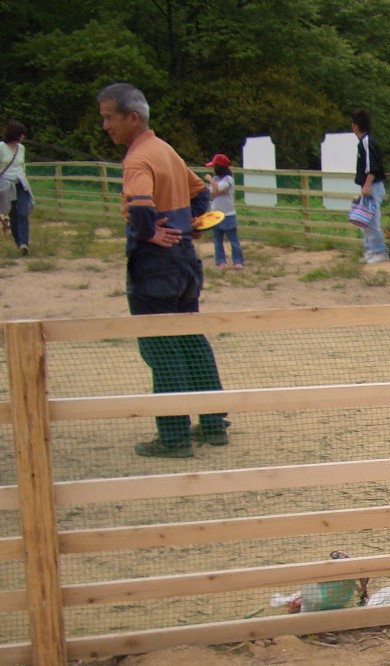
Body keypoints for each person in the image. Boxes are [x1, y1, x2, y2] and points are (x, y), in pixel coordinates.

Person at [97, 82, 230, 458]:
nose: (105, 125)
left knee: (161, 348)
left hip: (154, 269)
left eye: (109, 117)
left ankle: (173, 437)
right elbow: (199, 192)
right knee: (191, 339)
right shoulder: (166, 150)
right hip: (186, 262)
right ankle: (213, 424)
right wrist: (195, 225)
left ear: (131, 117)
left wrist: (149, 230)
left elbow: (140, 206)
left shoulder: (137, 159)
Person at [350, 108, 389, 264]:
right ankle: (371, 250)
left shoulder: (366, 142)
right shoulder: (364, 142)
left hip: (372, 186)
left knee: (371, 220)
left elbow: (371, 168)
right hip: (369, 186)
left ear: (356, 125)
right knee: (365, 220)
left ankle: (380, 252)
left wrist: (366, 186)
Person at [203, 153, 244, 268]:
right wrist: (216, 190)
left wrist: (209, 180)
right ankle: (220, 261)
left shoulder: (229, 179)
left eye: (213, 167)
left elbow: (217, 188)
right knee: (217, 240)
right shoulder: (217, 179)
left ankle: (238, 261)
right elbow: (212, 193)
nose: (212, 170)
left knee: (233, 240)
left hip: (228, 214)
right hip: (215, 214)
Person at [0, 120, 34, 255]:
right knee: (13, 214)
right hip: (6, 184)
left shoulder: (22, 149)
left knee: (23, 212)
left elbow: (22, 165)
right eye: (21, 134)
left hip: (20, 183)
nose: (23, 136)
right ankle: (19, 242)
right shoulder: (1, 147)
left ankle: (24, 243)